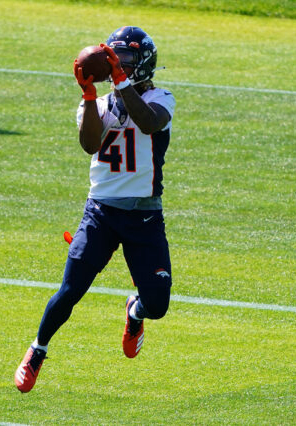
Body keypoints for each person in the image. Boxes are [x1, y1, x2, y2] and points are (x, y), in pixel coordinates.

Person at [15, 26, 176, 393]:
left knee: (158, 304)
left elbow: (149, 123)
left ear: (144, 63)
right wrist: (89, 95)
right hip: (101, 213)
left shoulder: (162, 97)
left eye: (127, 62)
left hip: (144, 215)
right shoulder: (99, 105)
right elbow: (89, 145)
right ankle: (37, 350)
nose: (120, 67)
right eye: (116, 61)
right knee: (70, 290)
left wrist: (122, 84)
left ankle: (135, 311)